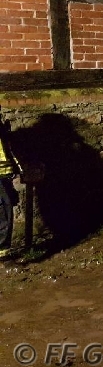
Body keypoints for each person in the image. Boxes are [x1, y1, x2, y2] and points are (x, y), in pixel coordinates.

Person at [0, 108, 22, 257]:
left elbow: (7, 149)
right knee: (4, 208)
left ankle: (3, 251)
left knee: (6, 207)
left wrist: (16, 167)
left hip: (4, 173)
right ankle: (2, 251)